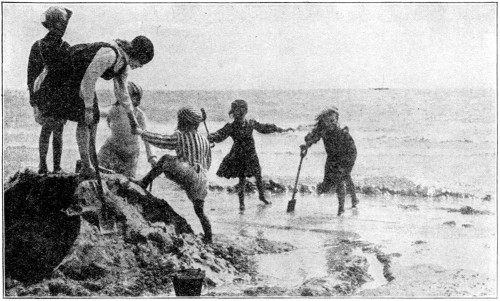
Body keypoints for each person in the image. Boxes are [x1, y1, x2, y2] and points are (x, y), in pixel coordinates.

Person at [46, 35, 155, 177]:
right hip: (67, 75)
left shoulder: (123, 64)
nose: (140, 66)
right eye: (142, 62)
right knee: (86, 119)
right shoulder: (111, 54)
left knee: (94, 119)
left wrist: (133, 121)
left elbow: (122, 93)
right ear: (136, 55)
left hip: (82, 79)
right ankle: (87, 166)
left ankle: (91, 163)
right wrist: (88, 108)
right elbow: (88, 79)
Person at [134, 106, 213, 243]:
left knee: (165, 159)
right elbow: (208, 162)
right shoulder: (205, 140)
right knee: (200, 211)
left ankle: (144, 182)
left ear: (183, 121)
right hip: (202, 178)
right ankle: (208, 237)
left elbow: (162, 141)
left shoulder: (180, 136)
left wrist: (142, 133)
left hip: (188, 171)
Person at [208, 99, 291, 211]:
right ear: (233, 112)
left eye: (242, 110)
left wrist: (279, 129)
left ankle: (261, 196)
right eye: (236, 110)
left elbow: (264, 128)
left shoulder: (251, 123)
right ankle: (242, 203)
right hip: (238, 155)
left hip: (251, 154)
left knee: (258, 175)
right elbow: (220, 135)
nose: (239, 113)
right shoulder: (231, 126)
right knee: (242, 179)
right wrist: (212, 137)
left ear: (246, 111)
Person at [27, 6, 72, 174]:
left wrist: (33, 98)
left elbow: (31, 76)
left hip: (51, 94)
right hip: (52, 94)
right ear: (52, 25)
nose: (62, 28)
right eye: (60, 24)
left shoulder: (42, 45)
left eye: (63, 24)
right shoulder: (58, 46)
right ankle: (49, 166)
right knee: (52, 130)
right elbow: (31, 73)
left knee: (52, 130)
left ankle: (49, 166)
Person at [300, 107, 359, 216]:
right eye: (329, 121)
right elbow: (313, 138)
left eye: (334, 120)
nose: (332, 123)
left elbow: (351, 149)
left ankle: (341, 208)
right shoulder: (323, 131)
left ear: (337, 120)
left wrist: (345, 163)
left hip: (348, 155)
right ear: (324, 122)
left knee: (341, 177)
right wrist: (306, 145)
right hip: (332, 157)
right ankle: (354, 199)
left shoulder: (342, 133)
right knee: (336, 179)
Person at [97, 81, 156, 178]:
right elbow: (101, 112)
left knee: (127, 183)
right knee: (99, 172)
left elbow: (147, 137)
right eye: (122, 95)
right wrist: (88, 107)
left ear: (136, 98)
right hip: (112, 148)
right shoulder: (115, 109)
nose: (124, 98)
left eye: (128, 95)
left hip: (130, 154)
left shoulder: (139, 115)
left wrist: (152, 157)